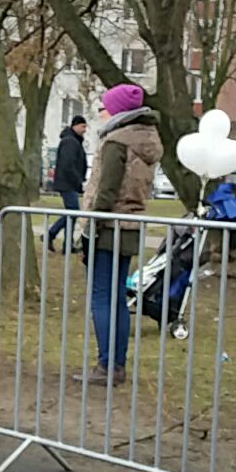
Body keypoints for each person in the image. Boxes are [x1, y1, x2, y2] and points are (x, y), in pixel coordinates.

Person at [75, 83, 162, 384]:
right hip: (130, 225)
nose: (102, 112)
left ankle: (106, 365)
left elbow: (106, 191)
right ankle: (117, 364)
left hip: (109, 227)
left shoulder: (116, 142)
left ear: (118, 111)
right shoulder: (145, 139)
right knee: (117, 299)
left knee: (102, 297)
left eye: (105, 107)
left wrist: (89, 229)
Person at [45, 114, 88, 252]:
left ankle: (67, 245)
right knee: (73, 212)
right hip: (68, 183)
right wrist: (78, 181)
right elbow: (68, 164)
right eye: (83, 126)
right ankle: (51, 234)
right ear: (75, 125)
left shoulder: (73, 140)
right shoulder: (70, 141)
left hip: (69, 182)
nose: (85, 130)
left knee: (71, 213)